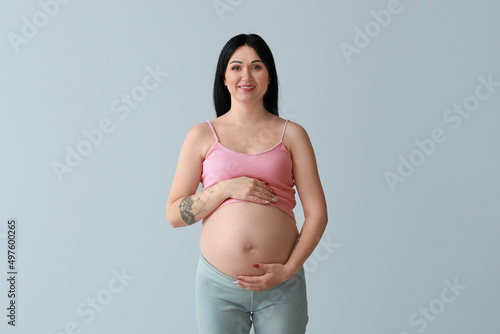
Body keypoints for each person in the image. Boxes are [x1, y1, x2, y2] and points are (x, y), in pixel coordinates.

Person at [166, 33, 328, 334]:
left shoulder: (293, 135)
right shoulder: (201, 135)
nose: (246, 76)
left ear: (269, 77)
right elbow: (174, 215)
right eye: (236, 67)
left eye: (256, 67)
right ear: (224, 78)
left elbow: (318, 213)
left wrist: (288, 270)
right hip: (218, 286)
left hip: (281, 284)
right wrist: (226, 188)